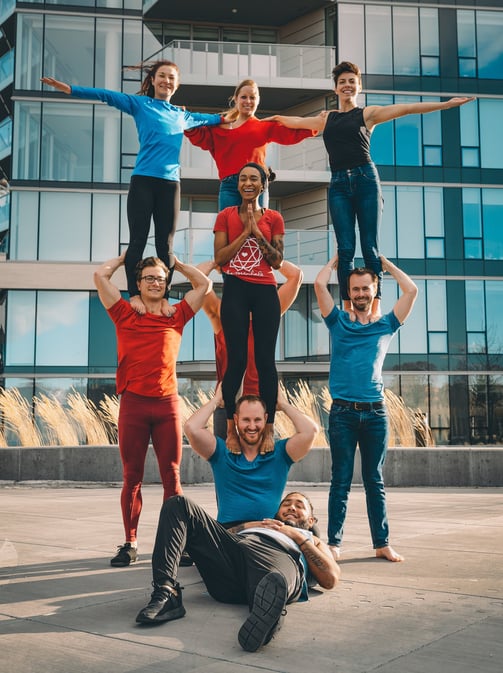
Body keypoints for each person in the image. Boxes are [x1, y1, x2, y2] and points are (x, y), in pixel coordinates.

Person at [266, 60, 474, 317]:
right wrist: (267, 119)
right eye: (342, 81)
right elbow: (294, 122)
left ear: (358, 87)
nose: (347, 85)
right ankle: (347, 308)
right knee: (345, 249)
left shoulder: (368, 114)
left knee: (369, 246)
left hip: (366, 180)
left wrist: (445, 105)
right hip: (339, 184)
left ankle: (374, 308)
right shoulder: (326, 119)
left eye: (351, 81)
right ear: (335, 89)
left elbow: (407, 109)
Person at [41, 62, 222, 314]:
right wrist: (71, 89)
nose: (166, 81)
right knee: (137, 240)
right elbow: (105, 95)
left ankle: (164, 297)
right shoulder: (140, 105)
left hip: (170, 185)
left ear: (176, 84)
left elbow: (217, 119)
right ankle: (134, 294)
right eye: (162, 76)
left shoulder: (183, 115)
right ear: (154, 79)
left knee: (165, 245)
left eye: (171, 78)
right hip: (143, 181)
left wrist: (243, 111)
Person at [93, 252, 211, 567]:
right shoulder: (124, 313)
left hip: (168, 404)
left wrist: (180, 266)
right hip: (133, 403)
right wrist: (121, 259)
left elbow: (205, 285)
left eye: (160, 278)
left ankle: (177, 543)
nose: (156, 282)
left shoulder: (177, 315)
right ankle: (130, 543)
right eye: (150, 278)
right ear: (139, 283)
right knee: (132, 477)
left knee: (172, 476)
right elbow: (100, 278)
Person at [135, 491, 340, 652]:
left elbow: (330, 578)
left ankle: (267, 612)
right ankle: (167, 592)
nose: (291, 507)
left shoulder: (312, 540)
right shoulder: (261, 524)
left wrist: (296, 536)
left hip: (275, 560)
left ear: (311, 521)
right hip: (230, 564)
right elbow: (214, 538)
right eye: (286, 503)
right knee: (177, 503)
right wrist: (248, 525)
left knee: (273, 580)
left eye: (299, 505)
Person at [314, 254, 418, 562]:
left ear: (374, 291)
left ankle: (381, 543)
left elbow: (411, 290)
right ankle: (333, 543)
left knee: (375, 480)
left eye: (366, 289)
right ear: (350, 292)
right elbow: (320, 284)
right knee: (341, 479)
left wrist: (386, 266)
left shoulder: (387, 325)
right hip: (343, 413)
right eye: (355, 289)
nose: (360, 294)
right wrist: (336, 260)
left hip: (375, 413)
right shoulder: (338, 322)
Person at [214, 162, 285, 454]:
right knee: (238, 361)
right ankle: (231, 429)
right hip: (235, 288)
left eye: (253, 179)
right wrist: (245, 233)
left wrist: (259, 234)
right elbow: (220, 258)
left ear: (262, 185)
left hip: (265, 289)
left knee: (266, 361)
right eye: (242, 178)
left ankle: (268, 430)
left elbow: (277, 260)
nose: (247, 183)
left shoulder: (275, 217)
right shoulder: (226, 215)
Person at [183, 384, 318, 527]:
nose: (252, 426)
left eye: (257, 420)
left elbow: (310, 431)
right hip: (228, 533)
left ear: (266, 419)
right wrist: (216, 401)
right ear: (236, 419)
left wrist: (283, 405)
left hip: (267, 531)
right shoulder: (221, 452)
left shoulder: (280, 453)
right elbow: (191, 427)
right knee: (177, 504)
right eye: (246, 420)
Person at [199, 259, 303, 439]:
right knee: (226, 463)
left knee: (263, 463)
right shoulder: (221, 311)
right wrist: (220, 261)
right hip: (228, 405)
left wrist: (268, 259)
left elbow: (296, 276)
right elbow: (198, 280)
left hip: (261, 406)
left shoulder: (269, 311)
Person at [184, 78, 317, 210]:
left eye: (252, 98)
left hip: (256, 182)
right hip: (230, 186)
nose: (248, 101)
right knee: (229, 228)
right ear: (236, 99)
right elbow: (199, 136)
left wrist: (317, 123)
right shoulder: (219, 128)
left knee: (258, 228)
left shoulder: (263, 126)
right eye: (244, 97)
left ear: (258, 100)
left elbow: (292, 134)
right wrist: (184, 120)